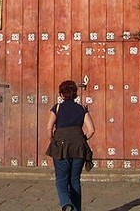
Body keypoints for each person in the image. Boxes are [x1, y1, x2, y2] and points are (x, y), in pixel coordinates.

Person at [45, 80, 95, 211]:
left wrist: (52, 140)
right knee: (75, 180)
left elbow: (49, 128)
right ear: (75, 94)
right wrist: (81, 139)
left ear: (61, 94)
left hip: (61, 146)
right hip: (78, 147)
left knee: (61, 179)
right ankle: (76, 209)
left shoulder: (57, 108)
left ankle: (66, 203)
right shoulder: (82, 108)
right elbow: (91, 130)